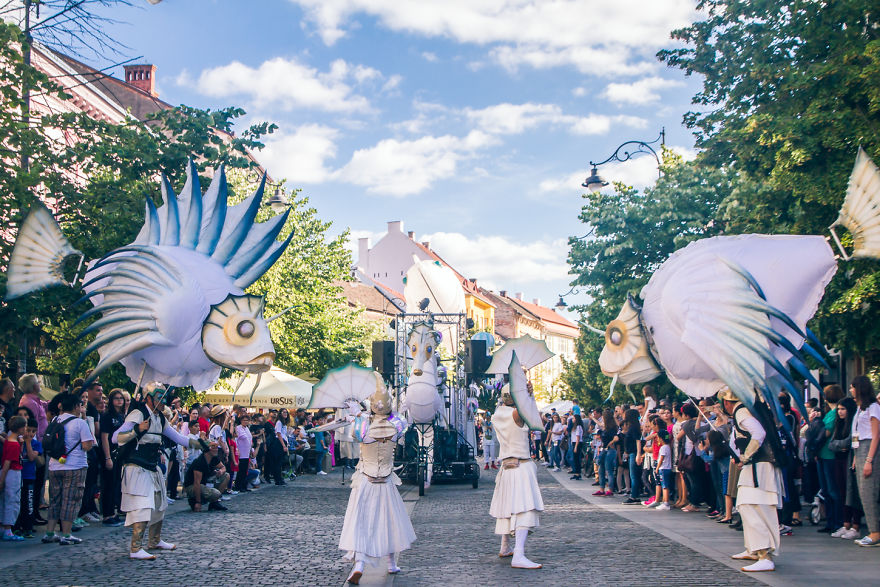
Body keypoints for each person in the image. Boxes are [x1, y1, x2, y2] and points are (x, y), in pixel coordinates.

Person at [111, 383, 206, 560]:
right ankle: (135, 547)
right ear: (149, 398)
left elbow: (179, 438)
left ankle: (154, 540)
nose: (162, 402)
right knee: (143, 505)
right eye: (158, 398)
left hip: (152, 466)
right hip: (137, 467)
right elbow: (116, 437)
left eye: (163, 398)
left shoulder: (160, 418)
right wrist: (136, 430)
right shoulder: (138, 414)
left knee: (159, 503)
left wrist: (204, 444)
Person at [340, 380, 415, 584]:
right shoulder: (398, 424)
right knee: (389, 520)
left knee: (362, 522)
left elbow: (357, 433)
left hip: (366, 480)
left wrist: (358, 414)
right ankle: (391, 563)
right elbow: (397, 419)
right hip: (387, 480)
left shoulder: (362, 425)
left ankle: (360, 564)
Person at [719, 387, 781, 572]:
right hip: (755, 468)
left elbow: (759, 434)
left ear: (727, 403)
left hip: (758, 468)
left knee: (753, 507)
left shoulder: (741, 412)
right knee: (746, 505)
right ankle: (754, 549)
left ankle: (764, 554)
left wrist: (745, 456)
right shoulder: (744, 410)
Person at [490, 382, 544, 570]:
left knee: (507, 508)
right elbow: (534, 419)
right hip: (521, 465)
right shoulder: (515, 414)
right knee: (524, 509)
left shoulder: (497, 414)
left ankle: (505, 546)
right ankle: (518, 554)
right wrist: (529, 396)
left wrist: (525, 394)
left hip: (506, 466)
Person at [43, 392, 95, 545]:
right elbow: (87, 445)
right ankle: (66, 534)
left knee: (55, 500)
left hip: (54, 466)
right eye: (80, 405)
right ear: (75, 406)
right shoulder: (80, 423)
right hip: (75, 466)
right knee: (70, 500)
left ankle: (50, 532)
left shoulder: (55, 419)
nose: (81, 408)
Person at [849, 375, 880, 547]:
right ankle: (873, 530)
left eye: (853, 387)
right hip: (859, 448)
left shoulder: (873, 407)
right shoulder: (861, 407)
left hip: (869, 448)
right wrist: (856, 456)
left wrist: (869, 459)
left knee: (869, 492)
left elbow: (876, 435)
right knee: (862, 492)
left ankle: (875, 532)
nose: (851, 390)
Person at [99, 389, 126, 527]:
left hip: (120, 454)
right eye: (116, 398)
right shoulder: (106, 416)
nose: (119, 400)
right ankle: (107, 514)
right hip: (109, 453)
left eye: (121, 398)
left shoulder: (121, 416)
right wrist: (107, 457)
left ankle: (113, 512)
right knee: (108, 485)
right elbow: (104, 437)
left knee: (116, 484)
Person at [14, 417, 43, 538]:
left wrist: (28, 443)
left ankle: (28, 527)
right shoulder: (17, 442)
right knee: (17, 502)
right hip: (18, 476)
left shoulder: (36, 444)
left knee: (28, 503)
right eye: (28, 430)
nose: (30, 433)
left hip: (29, 476)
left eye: (33, 431)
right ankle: (16, 526)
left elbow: (31, 457)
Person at [1, 415, 26, 541]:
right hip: (13, 473)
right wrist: (2, 480)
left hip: (10, 472)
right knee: (13, 500)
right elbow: (7, 463)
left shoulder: (8, 441)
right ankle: (8, 529)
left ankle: (4, 527)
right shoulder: (13, 444)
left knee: (6, 500)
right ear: (20, 428)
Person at [184, 442, 228, 512]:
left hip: (204, 483)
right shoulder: (199, 462)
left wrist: (221, 471)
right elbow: (196, 483)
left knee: (226, 476)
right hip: (192, 486)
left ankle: (214, 503)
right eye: (213, 447)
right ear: (207, 449)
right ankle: (195, 500)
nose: (216, 449)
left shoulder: (213, 458)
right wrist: (198, 502)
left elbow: (223, 467)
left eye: (217, 447)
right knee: (216, 494)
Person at [234, 414, 254, 492]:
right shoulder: (238, 428)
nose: (245, 422)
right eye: (244, 420)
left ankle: (244, 485)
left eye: (247, 420)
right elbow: (237, 439)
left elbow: (249, 439)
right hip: (241, 452)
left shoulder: (247, 428)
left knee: (245, 470)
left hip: (247, 452)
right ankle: (239, 486)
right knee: (241, 470)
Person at [569, 414, 584, 480]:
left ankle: (578, 473)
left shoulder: (578, 427)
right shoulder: (574, 427)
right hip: (574, 442)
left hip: (577, 443)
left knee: (576, 458)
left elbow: (578, 437)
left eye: (574, 418)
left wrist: (576, 446)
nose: (573, 420)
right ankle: (576, 473)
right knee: (575, 459)